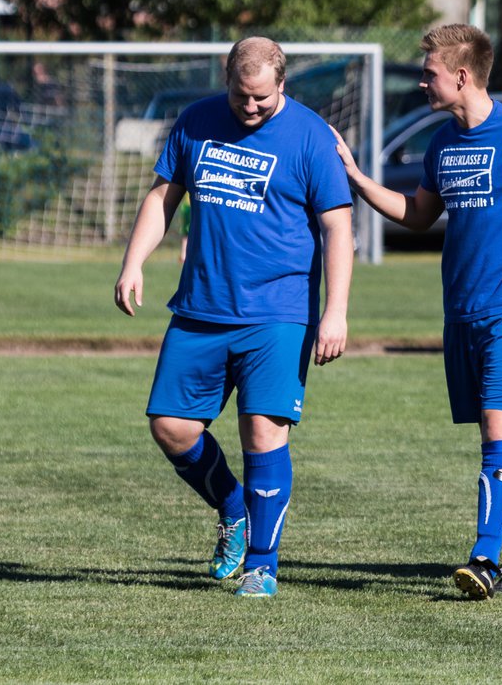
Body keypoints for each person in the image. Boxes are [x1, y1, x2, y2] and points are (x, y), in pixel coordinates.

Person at [332, 23, 502, 600]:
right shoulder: (441, 142)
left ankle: (484, 555)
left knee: (497, 432)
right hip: (462, 313)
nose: (424, 80)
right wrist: (357, 179)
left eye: (429, 71)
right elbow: (417, 214)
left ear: (461, 75)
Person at [114, 37, 353, 599]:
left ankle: (262, 566)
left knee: (263, 432)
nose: (251, 108)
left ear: (282, 85)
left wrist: (335, 312)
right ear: (227, 80)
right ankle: (232, 506)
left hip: (279, 311)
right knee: (171, 428)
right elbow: (163, 197)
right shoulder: (196, 122)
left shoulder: (311, 137)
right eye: (242, 97)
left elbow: (338, 227)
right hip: (201, 305)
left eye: (262, 100)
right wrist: (134, 263)